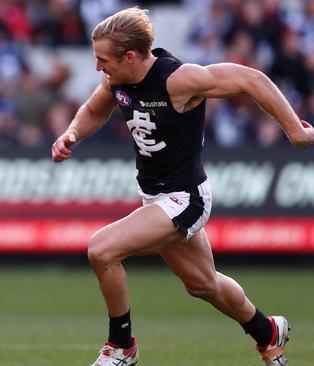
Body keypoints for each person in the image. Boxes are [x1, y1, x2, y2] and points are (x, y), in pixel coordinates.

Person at [51, 7, 313, 366]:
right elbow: (95, 111)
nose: (98, 67)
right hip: (156, 197)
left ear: (129, 56)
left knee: (102, 250)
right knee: (203, 284)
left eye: (102, 59)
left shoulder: (178, 79)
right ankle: (266, 331)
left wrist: (294, 130)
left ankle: (121, 347)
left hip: (184, 198)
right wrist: (72, 134)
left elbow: (251, 78)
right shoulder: (117, 80)